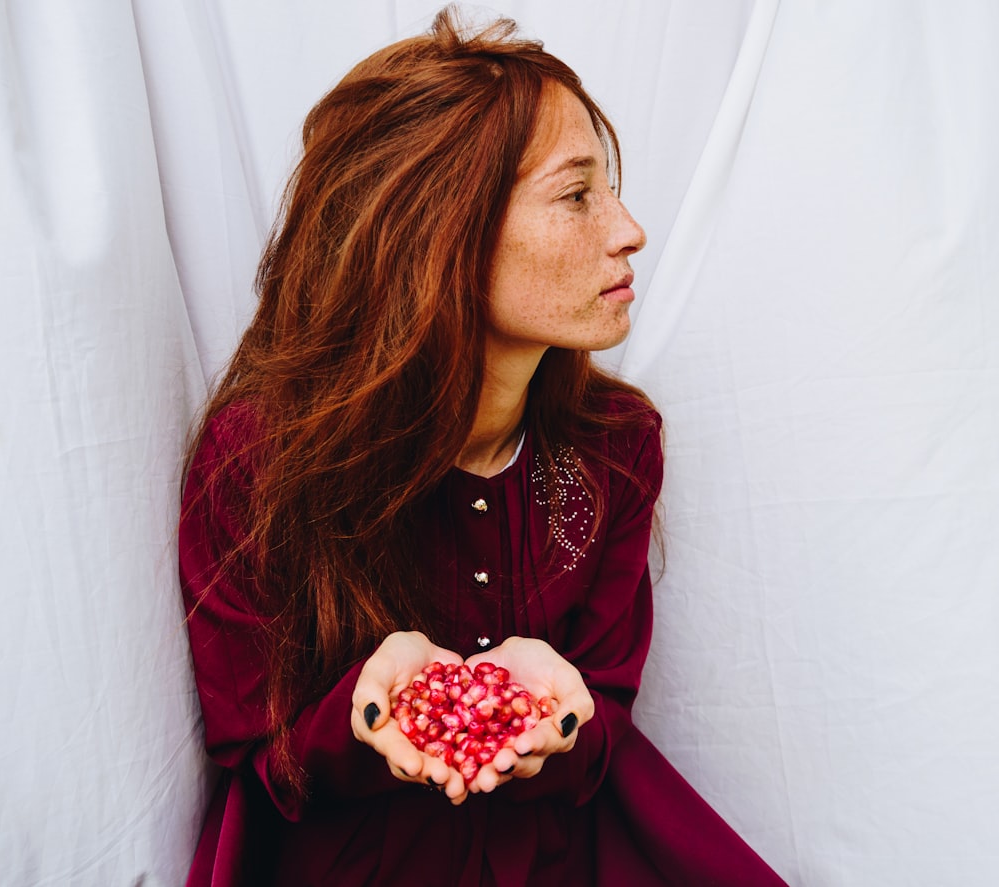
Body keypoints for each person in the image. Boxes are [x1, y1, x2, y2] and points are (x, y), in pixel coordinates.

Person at [178, 7, 789, 885]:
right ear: (441, 233)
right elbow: (254, 753)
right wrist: (362, 713)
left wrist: (564, 711)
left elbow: (605, 708)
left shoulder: (617, 449)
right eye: (577, 194)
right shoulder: (258, 462)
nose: (628, 230)